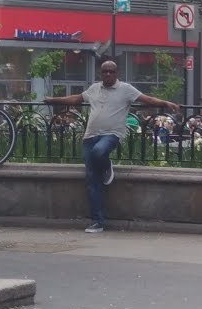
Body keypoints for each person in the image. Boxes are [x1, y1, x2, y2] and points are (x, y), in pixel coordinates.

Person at [44, 60, 179, 234]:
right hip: (90, 136)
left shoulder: (126, 89)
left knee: (99, 152)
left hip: (111, 134)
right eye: (104, 72)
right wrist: (53, 100)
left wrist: (165, 103)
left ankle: (107, 166)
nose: (108, 74)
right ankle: (97, 221)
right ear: (101, 73)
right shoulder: (94, 88)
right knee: (92, 182)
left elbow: (146, 99)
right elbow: (76, 98)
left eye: (111, 72)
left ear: (116, 73)